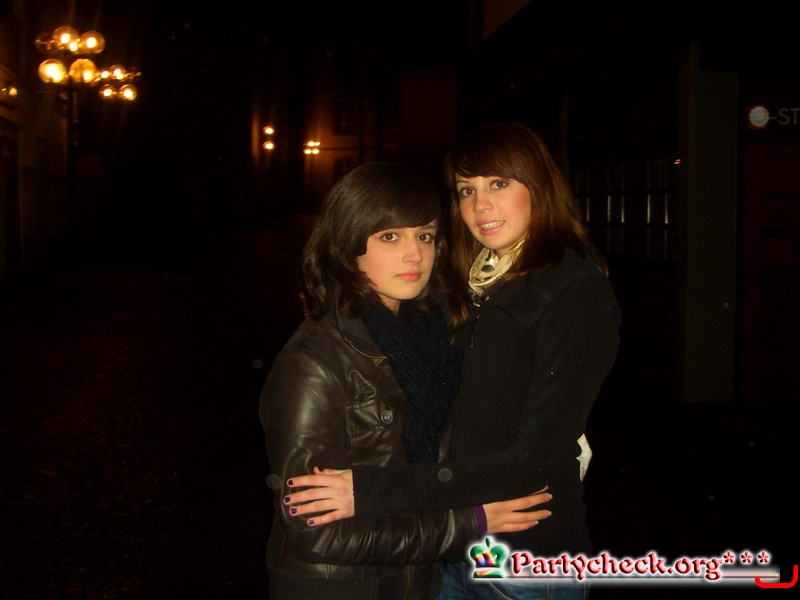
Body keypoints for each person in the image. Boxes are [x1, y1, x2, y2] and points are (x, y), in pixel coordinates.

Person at [282, 123, 622, 599]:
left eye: (498, 183)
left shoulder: (573, 292)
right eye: (467, 190)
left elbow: (534, 458)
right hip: (451, 549)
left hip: (524, 558)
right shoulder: (469, 286)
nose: (480, 205)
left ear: (540, 187)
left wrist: (370, 490)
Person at [259, 160, 554, 600]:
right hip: (344, 588)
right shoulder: (315, 365)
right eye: (390, 237)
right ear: (347, 245)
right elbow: (316, 533)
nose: (415, 254)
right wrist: (470, 523)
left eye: (425, 236)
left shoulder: (432, 336)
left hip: (417, 580)